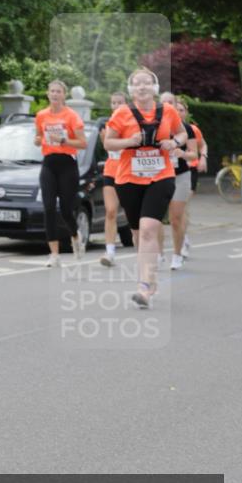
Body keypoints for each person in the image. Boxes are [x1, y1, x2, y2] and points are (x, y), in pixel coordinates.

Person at [104, 69, 187, 308]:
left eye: (146, 82)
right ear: (131, 89)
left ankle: (144, 286)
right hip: (128, 178)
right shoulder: (122, 113)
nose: (142, 87)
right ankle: (151, 279)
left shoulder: (168, 111)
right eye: (137, 83)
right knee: (138, 235)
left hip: (161, 176)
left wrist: (174, 142)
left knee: (149, 228)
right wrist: (129, 142)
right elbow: (108, 142)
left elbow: (181, 133)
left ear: (154, 87)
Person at [34, 80, 87, 267]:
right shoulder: (41, 115)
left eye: (58, 92)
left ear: (64, 95)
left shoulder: (71, 116)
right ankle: (54, 254)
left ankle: (75, 235)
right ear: (48, 94)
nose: (55, 94)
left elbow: (83, 143)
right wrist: (38, 140)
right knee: (48, 207)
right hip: (49, 163)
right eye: (52, 91)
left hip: (67, 164)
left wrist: (64, 139)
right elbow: (38, 137)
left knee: (65, 209)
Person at [159, 94, 198, 269]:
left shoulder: (186, 129)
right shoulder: (154, 125)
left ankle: (177, 254)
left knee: (175, 218)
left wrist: (182, 154)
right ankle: (159, 254)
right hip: (158, 175)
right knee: (156, 218)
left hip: (180, 175)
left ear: (175, 106)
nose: (167, 105)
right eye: (164, 102)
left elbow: (193, 154)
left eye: (170, 102)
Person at [96, 91, 127, 267]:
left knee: (133, 213)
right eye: (113, 103)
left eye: (120, 103)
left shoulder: (131, 124)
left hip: (128, 172)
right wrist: (104, 140)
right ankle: (110, 252)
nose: (116, 106)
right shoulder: (106, 125)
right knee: (110, 211)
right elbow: (107, 149)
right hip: (111, 171)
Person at [181, 101, 208, 258]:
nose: (178, 112)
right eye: (175, 109)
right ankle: (183, 238)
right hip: (171, 172)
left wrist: (203, 157)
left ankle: (184, 240)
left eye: (181, 110)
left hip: (190, 169)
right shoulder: (164, 128)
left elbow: (203, 145)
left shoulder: (192, 129)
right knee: (177, 210)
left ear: (186, 112)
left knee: (182, 206)